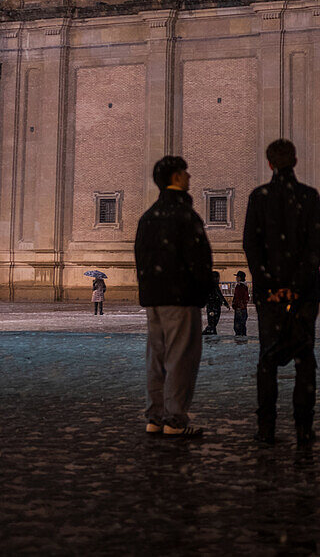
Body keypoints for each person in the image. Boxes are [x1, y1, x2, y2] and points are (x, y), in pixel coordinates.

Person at [243, 139, 320, 448]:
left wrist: (270, 287)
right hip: (304, 295)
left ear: (269, 164)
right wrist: (296, 287)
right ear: (295, 160)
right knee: (305, 358)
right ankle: (303, 427)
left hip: (270, 296)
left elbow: (252, 247)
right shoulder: (308, 196)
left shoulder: (259, 197)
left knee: (267, 358)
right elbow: (315, 248)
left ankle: (266, 428)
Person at [134, 156, 213, 438]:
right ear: (177, 178)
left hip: (153, 298)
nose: (189, 177)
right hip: (180, 298)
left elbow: (140, 259)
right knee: (181, 359)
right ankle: (175, 420)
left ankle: (154, 416)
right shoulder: (185, 216)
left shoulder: (149, 216)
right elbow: (200, 260)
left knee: (156, 358)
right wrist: (202, 291)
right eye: (185, 173)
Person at [203, 271, 230, 335]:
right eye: (217, 277)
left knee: (213, 323)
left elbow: (219, 295)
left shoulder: (213, 286)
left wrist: (225, 303)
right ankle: (210, 333)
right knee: (212, 323)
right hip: (213, 307)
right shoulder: (213, 286)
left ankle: (211, 333)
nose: (218, 279)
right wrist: (225, 303)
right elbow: (219, 295)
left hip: (213, 306)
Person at [232, 271, 250, 338]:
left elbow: (243, 297)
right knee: (239, 325)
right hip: (239, 308)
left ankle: (241, 338)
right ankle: (241, 337)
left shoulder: (242, 286)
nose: (236, 278)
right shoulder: (239, 286)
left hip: (240, 308)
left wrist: (240, 304)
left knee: (239, 325)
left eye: (237, 277)